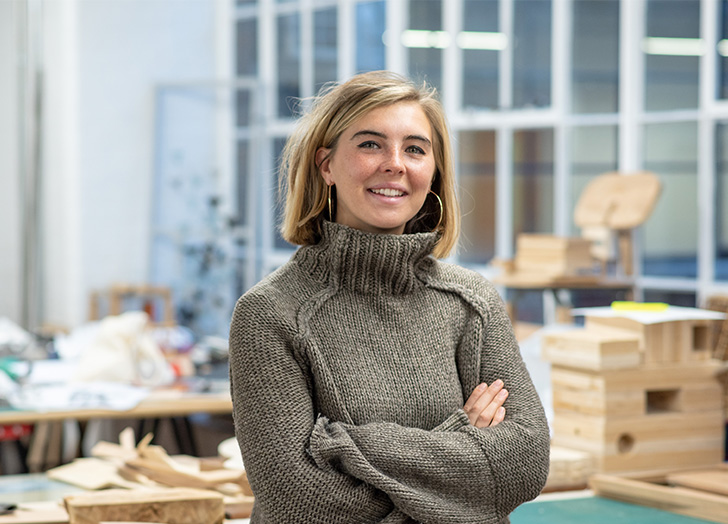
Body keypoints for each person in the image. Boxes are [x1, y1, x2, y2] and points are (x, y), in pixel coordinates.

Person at [228, 70, 549, 523]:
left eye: (415, 148)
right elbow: (298, 499)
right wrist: (463, 443)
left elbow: (526, 462)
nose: (395, 163)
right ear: (326, 165)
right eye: (370, 144)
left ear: (433, 171)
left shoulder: (471, 302)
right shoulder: (271, 314)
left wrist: (349, 448)